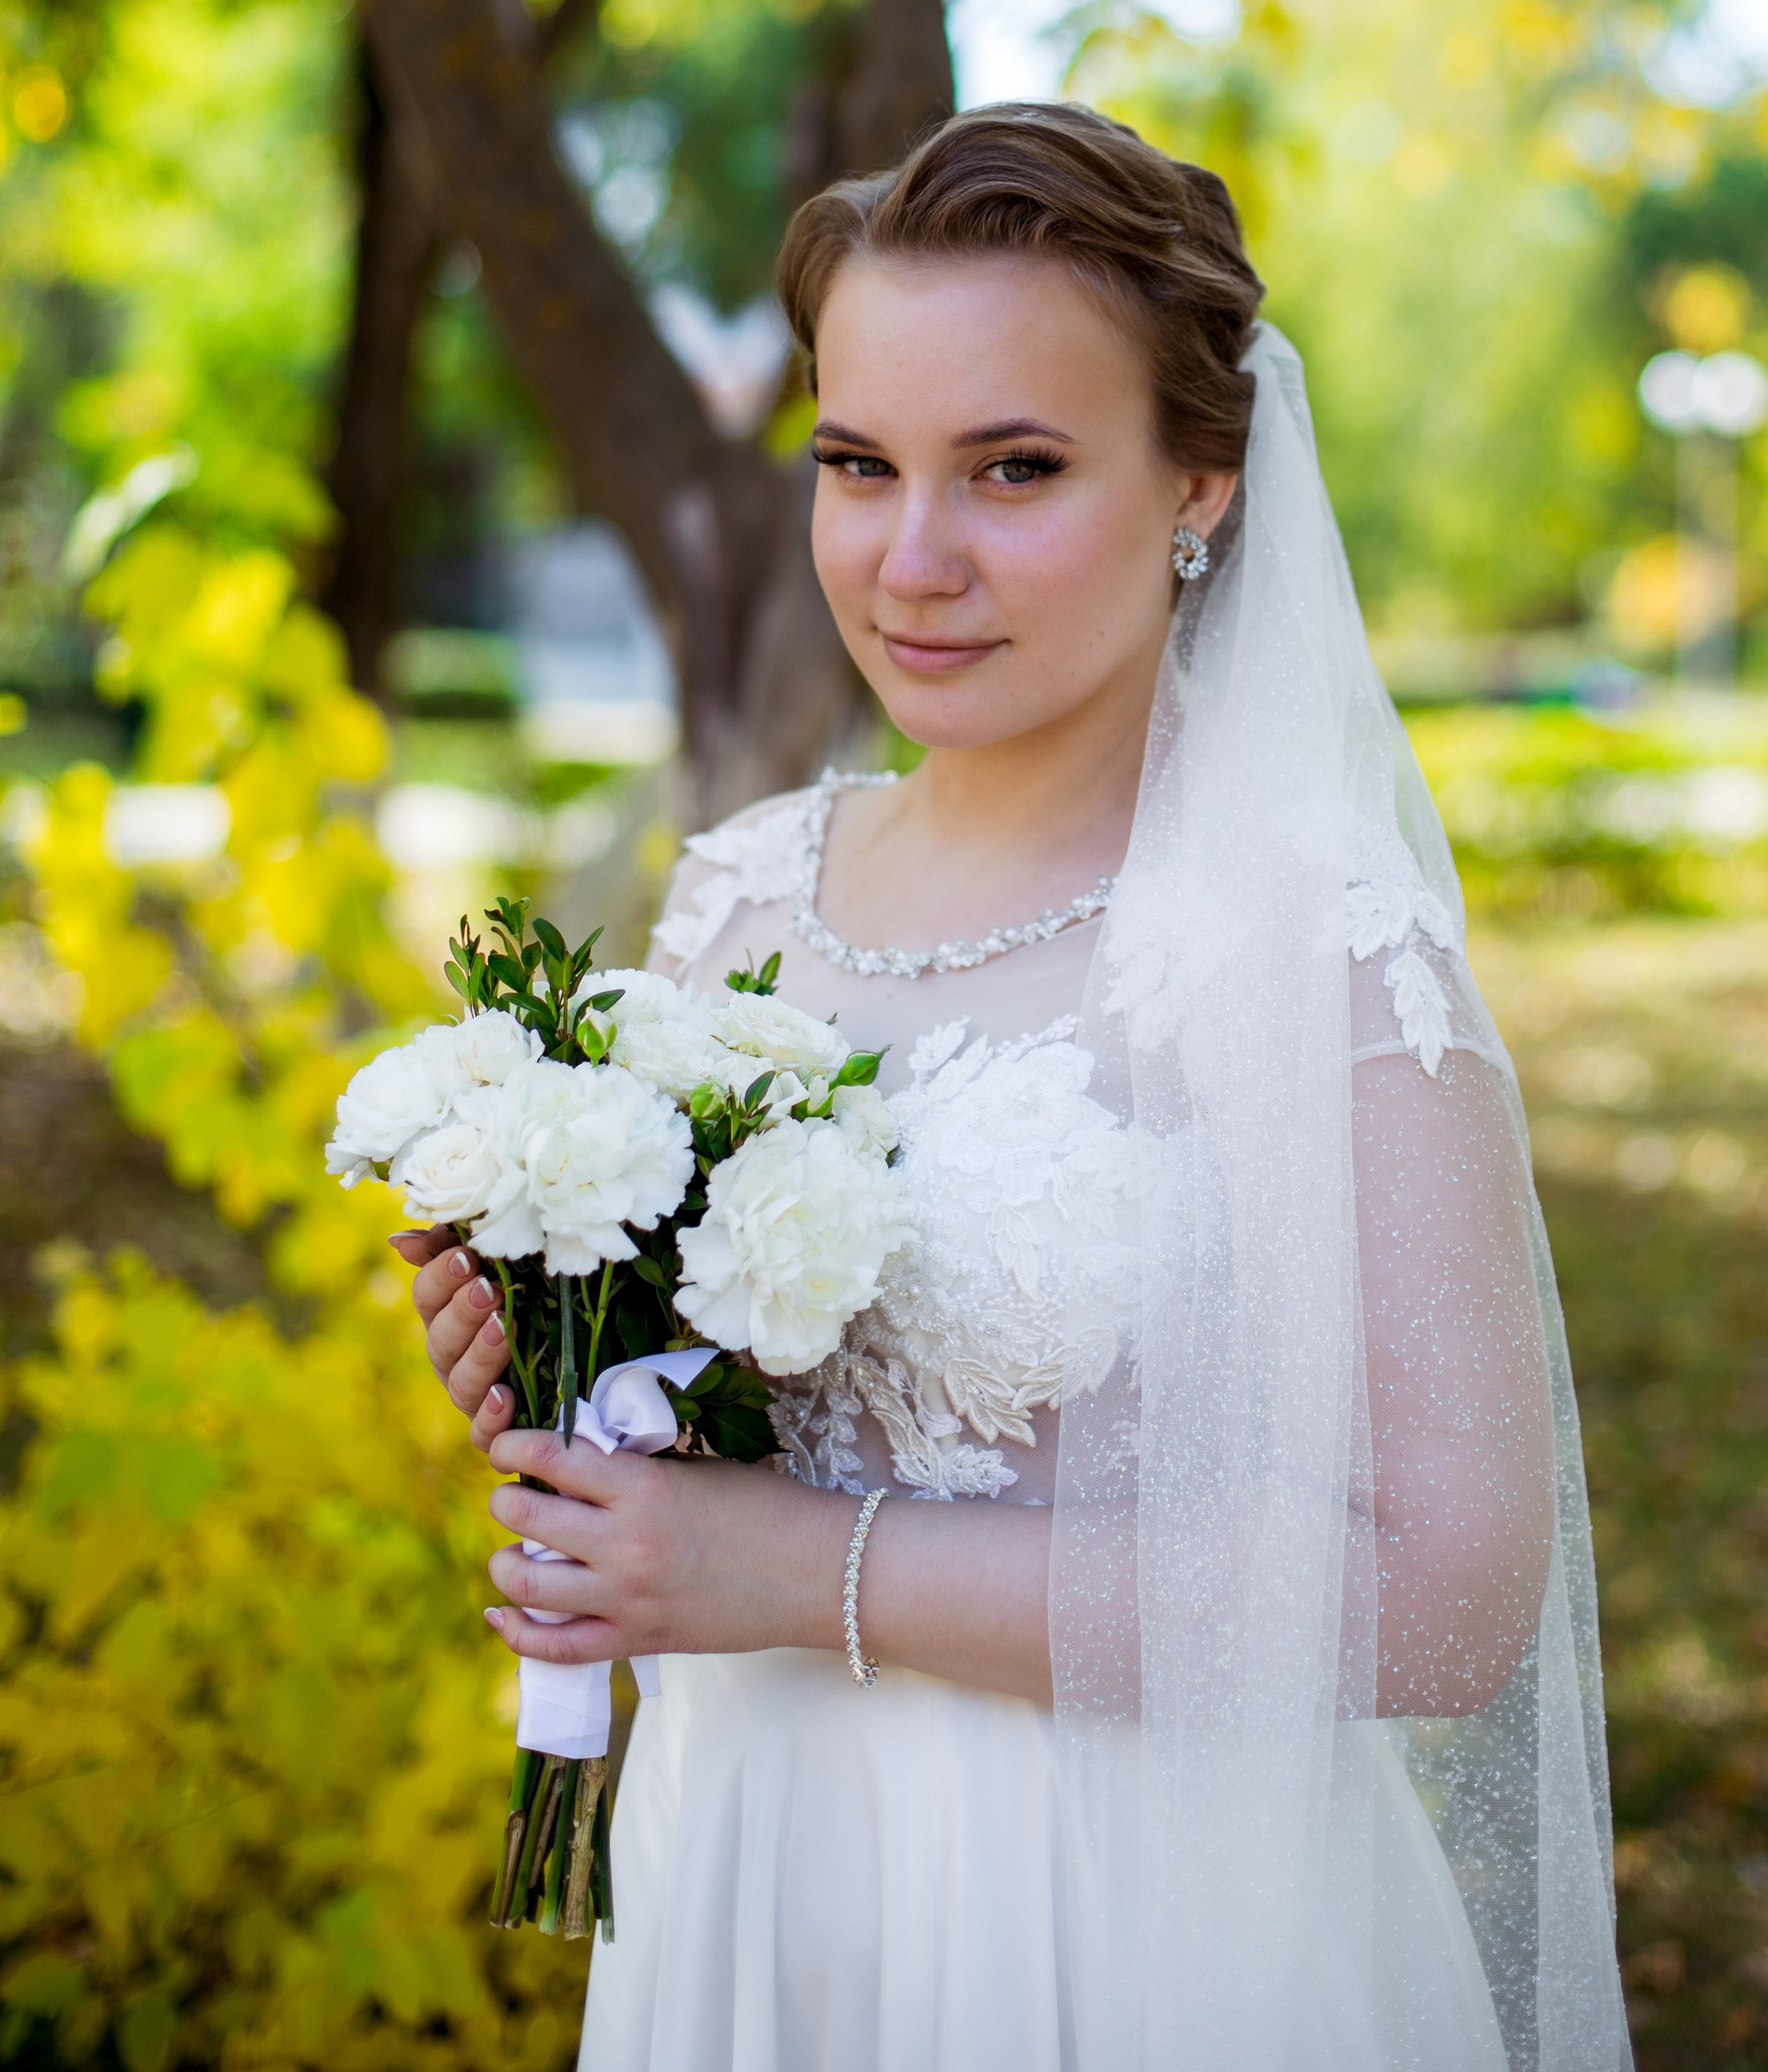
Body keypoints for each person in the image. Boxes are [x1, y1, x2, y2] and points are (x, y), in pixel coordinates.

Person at [399, 103, 1631, 2072]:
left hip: (1120, 1920)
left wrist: (801, 1571)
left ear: (1198, 489)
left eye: (1017, 469)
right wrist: (566, 1378)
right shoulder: (736, 899)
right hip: (752, 1875)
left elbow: (1449, 1596)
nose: (912, 559)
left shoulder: (1311, 949)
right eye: (857, 464)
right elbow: (713, 1447)